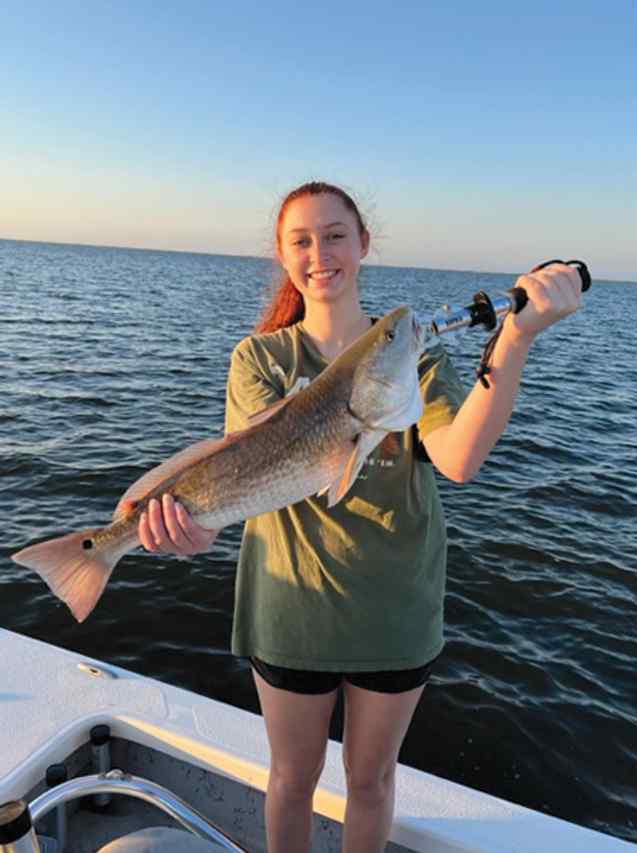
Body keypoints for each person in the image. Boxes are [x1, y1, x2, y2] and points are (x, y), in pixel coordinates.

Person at [134, 181, 582, 853]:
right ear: (284, 257)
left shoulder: (414, 354)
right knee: (291, 779)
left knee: (370, 782)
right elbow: (237, 467)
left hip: (395, 609)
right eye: (302, 240)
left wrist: (513, 340)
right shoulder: (261, 358)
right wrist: (187, 527)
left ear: (364, 243)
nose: (322, 253)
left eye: (337, 234)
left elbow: (458, 458)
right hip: (291, 610)